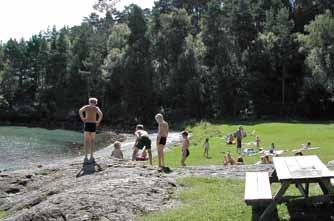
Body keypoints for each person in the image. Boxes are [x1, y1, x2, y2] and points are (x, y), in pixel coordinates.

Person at [79, 97, 103, 164]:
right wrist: (98, 121)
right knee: (92, 141)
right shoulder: (96, 108)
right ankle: (92, 156)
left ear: (89, 102)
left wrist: (83, 118)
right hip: (93, 124)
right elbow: (101, 114)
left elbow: (80, 111)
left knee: (86, 141)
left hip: (87, 123)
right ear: (96, 103)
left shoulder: (86, 107)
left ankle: (86, 157)